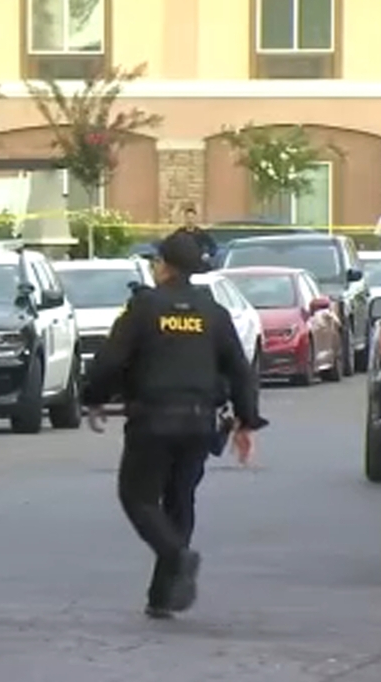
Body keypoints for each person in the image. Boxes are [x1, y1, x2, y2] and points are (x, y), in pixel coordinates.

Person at [81, 230, 268, 619]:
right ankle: (162, 596)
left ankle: (176, 556)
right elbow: (239, 369)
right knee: (180, 498)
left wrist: (94, 397)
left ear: (163, 266)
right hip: (200, 422)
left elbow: (111, 361)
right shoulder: (212, 313)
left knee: (138, 497)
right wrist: (247, 421)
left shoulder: (144, 308)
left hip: (152, 420)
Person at [175, 206, 219, 272]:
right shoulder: (179, 233)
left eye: (192, 218)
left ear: (195, 219)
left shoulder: (201, 233)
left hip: (198, 265)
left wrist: (208, 254)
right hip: (183, 266)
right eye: (188, 218)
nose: (190, 220)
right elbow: (170, 246)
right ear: (184, 219)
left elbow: (213, 247)